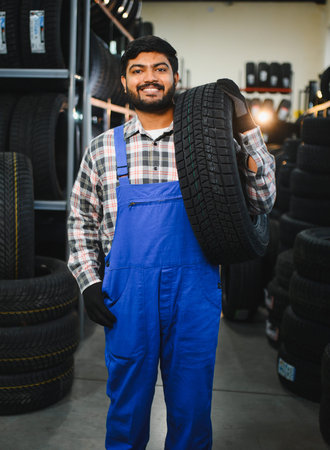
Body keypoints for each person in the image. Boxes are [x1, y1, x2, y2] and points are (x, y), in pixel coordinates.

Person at [67, 35, 276, 449]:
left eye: (160, 69)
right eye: (138, 70)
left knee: (192, 409)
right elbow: (80, 223)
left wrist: (245, 127)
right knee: (126, 410)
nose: (150, 78)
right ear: (124, 83)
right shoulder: (102, 150)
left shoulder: (209, 145)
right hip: (128, 299)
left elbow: (264, 199)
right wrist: (89, 283)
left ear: (175, 78)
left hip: (194, 295)